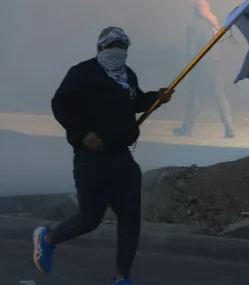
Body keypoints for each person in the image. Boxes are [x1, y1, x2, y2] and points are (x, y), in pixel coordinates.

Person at [32, 26, 173, 285]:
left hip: (123, 158)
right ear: (99, 49)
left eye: (123, 47)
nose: (117, 51)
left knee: (130, 221)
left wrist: (157, 97)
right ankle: (48, 239)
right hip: (91, 160)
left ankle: (122, 278)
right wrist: (83, 132)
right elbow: (60, 104)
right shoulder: (82, 73)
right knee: (90, 219)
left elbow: (136, 101)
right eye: (112, 46)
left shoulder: (127, 75)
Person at [173, 0, 235, 139]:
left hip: (201, 65)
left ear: (196, 10)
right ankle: (229, 128)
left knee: (194, 96)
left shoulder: (194, 26)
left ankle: (187, 128)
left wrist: (189, 68)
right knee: (220, 96)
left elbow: (191, 50)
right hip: (217, 65)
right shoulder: (215, 23)